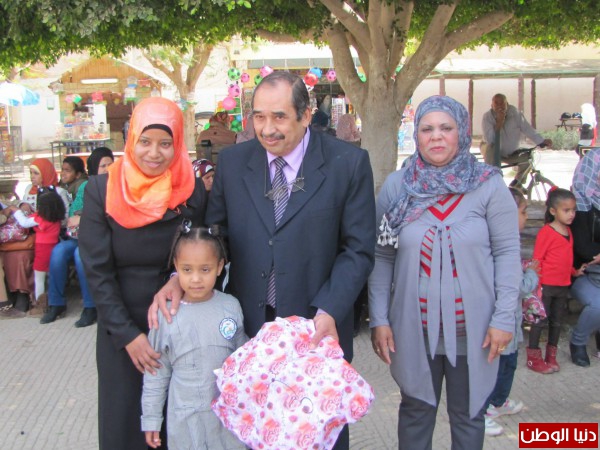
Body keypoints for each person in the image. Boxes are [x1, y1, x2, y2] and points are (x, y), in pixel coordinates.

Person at [151, 71, 376, 450]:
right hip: (249, 327)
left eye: (279, 117)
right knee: (254, 434)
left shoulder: (347, 163)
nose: (267, 129)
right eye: (259, 117)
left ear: (306, 115)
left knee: (318, 436)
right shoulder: (234, 162)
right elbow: (215, 236)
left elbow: (358, 249)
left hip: (315, 328)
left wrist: (330, 310)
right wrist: (181, 277)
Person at [369, 95, 521, 450]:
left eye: (446, 128)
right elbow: (381, 256)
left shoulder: (487, 185)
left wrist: (504, 317)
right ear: (416, 135)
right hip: (413, 329)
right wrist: (379, 318)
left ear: (462, 132)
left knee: (468, 415)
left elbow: (507, 253)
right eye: (427, 129)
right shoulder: (398, 187)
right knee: (416, 411)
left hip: (476, 331)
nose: (436, 136)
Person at [78, 97, 207, 450]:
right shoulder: (102, 190)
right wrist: (128, 336)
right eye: (145, 141)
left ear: (177, 144)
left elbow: (204, 247)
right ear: (130, 139)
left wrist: (178, 279)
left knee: (176, 423)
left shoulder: (191, 189)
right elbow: (97, 271)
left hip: (178, 321)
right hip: (121, 327)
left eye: (165, 143)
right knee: (126, 424)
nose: (154, 153)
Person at [141, 223, 247, 450]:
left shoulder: (230, 306)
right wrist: (151, 418)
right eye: (187, 270)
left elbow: (244, 359)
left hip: (226, 419)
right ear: (176, 266)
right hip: (185, 420)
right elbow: (156, 373)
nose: (196, 279)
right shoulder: (166, 314)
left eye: (205, 269)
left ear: (219, 267)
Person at [42, 147, 115, 327]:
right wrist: (84, 216)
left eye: (110, 164)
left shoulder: (117, 186)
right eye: (103, 166)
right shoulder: (86, 186)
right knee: (58, 252)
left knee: (81, 257)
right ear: (94, 168)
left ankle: (90, 307)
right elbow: (73, 212)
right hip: (79, 236)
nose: (107, 169)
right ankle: (56, 303)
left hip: (101, 238)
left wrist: (86, 217)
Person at [484, 188, 534, 436]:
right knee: (494, 367)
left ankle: (498, 401)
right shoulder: (503, 249)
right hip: (501, 323)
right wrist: (533, 273)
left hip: (510, 323)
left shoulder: (508, 245)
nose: (526, 217)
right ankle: (483, 410)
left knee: (507, 365)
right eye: (523, 212)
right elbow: (518, 287)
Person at [0, 158, 69, 318]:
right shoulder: (30, 192)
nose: (32, 177)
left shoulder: (56, 195)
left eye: (36, 173)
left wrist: (16, 211)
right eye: (31, 173)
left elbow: (26, 221)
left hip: (39, 244)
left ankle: (39, 302)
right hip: (42, 240)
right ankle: (44, 301)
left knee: (37, 272)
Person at [529, 188, 585, 373]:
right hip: (546, 285)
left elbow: (566, 258)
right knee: (539, 320)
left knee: (557, 321)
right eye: (566, 210)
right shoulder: (546, 232)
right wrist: (537, 285)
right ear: (553, 211)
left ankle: (550, 356)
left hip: (563, 285)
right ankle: (533, 357)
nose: (571, 214)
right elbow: (538, 259)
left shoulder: (568, 231)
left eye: (573, 210)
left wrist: (574, 272)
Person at [569, 148, 600, 366]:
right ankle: (578, 342)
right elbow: (583, 248)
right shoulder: (580, 205)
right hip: (582, 274)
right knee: (599, 304)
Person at [481, 93, 552, 187]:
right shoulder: (487, 117)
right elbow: (490, 139)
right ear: (492, 105)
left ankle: (517, 184)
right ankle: (492, 184)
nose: (499, 106)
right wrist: (499, 123)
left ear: (507, 104)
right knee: (491, 149)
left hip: (511, 152)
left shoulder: (515, 113)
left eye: (502, 103)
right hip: (493, 152)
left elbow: (527, 128)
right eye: (496, 103)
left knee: (528, 159)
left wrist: (541, 141)